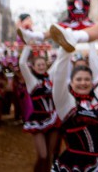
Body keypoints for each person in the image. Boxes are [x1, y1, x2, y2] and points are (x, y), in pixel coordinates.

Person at [50, 37, 98, 172]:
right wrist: (65, 48)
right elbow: (59, 77)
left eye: (87, 79)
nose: (83, 83)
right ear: (71, 83)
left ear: (92, 82)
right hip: (75, 164)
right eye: (78, 79)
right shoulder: (66, 102)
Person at [18, 44, 59, 172]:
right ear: (34, 68)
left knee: (50, 155)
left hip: (52, 118)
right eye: (38, 65)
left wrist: (64, 42)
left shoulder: (50, 77)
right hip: (38, 119)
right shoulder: (32, 81)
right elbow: (22, 64)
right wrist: (27, 45)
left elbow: (60, 61)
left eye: (43, 64)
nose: (41, 67)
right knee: (43, 155)